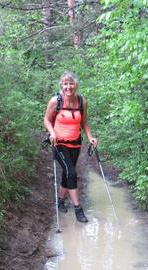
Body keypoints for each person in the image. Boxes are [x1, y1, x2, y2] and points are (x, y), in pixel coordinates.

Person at [44, 71, 98, 223]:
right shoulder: (55, 101)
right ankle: (78, 209)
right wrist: (52, 133)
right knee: (72, 174)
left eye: (71, 83)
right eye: (65, 84)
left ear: (76, 85)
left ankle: (60, 200)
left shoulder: (82, 101)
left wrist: (90, 138)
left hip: (75, 144)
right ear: (61, 85)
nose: (68, 87)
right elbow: (47, 120)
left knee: (67, 174)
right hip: (59, 143)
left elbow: (84, 123)